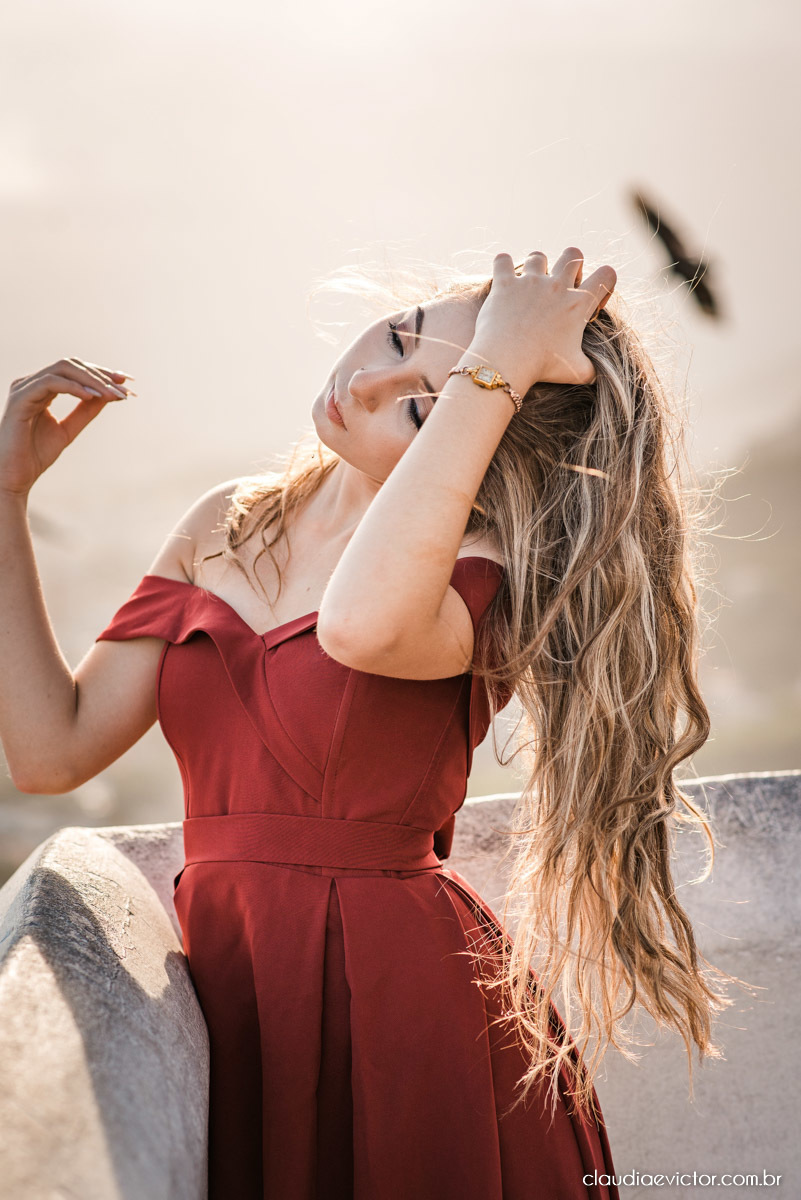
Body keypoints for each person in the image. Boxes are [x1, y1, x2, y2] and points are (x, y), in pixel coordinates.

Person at [0, 247, 728, 1200]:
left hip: (396, 1005)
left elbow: (357, 625)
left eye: (426, 403)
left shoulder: (480, 574)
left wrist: (493, 369)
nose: (368, 379)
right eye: (395, 334)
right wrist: (6, 497)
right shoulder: (228, 521)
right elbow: (52, 750)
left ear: (481, 426)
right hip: (235, 983)